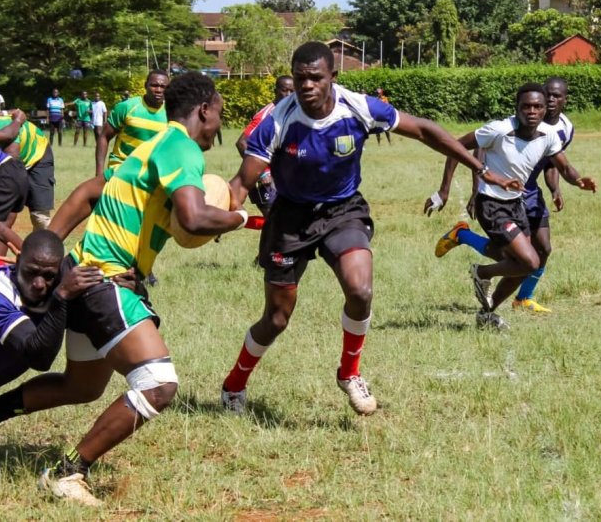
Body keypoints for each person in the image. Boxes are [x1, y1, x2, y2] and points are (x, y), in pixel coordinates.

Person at [219, 41, 517, 416]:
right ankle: (234, 386)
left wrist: (479, 168)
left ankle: (349, 373)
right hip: (290, 218)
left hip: (343, 211)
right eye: (299, 79)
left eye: (315, 78)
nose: (306, 86)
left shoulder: (358, 108)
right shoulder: (278, 121)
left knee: (360, 289)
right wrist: (215, 210)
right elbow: (240, 185)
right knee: (277, 319)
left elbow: (424, 130)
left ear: (333, 78)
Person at [0, 72, 248, 506]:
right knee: (158, 384)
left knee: (83, 387)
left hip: (87, 272)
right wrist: (240, 219)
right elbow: (193, 220)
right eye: (219, 114)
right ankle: (67, 473)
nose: (218, 126)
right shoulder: (181, 147)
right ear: (204, 109)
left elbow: (99, 191)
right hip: (103, 279)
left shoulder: (147, 147)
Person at [425, 82, 595, 329]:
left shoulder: (548, 136)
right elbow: (455, 148)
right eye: (526, 106)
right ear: (517, 108)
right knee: (530, 262)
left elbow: (564, 167)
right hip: (491, 205)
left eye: (537, 106)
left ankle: (487, 312)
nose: (533, 111)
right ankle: (481, 273)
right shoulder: (499, 129)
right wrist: (444, 191)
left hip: (516, 204)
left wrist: (578, 181)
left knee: (522, 265)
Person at [0, 231, 104, 463]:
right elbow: (39, 357)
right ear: (17, 261)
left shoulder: (59, 285)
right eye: (31, 272)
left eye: (48, 276)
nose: (39, 284)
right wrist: (61, 297)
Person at [0, 112, 55, 238]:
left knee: (39, 216)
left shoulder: (6, 128)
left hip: (37, 156)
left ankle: (44, 250)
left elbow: (11, 172)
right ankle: (0, 256)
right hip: (12, 166)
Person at [235, 75, 294, 217]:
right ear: (275, 91)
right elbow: (242, 142)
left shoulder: (292, 112)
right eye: (284, 90)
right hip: (266, 182)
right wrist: (263, 173)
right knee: (275, 223)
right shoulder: (267, 113)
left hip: (284, 180)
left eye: (292, 91)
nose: (288, 95)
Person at [94, 70, 168, 177]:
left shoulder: (172, 113)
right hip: (121, 170)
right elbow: (104, 137)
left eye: (163, 87)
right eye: (154, 85)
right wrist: (99, 173)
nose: (158, 90)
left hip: (151, 175)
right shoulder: (126, 107)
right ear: (145, 85)